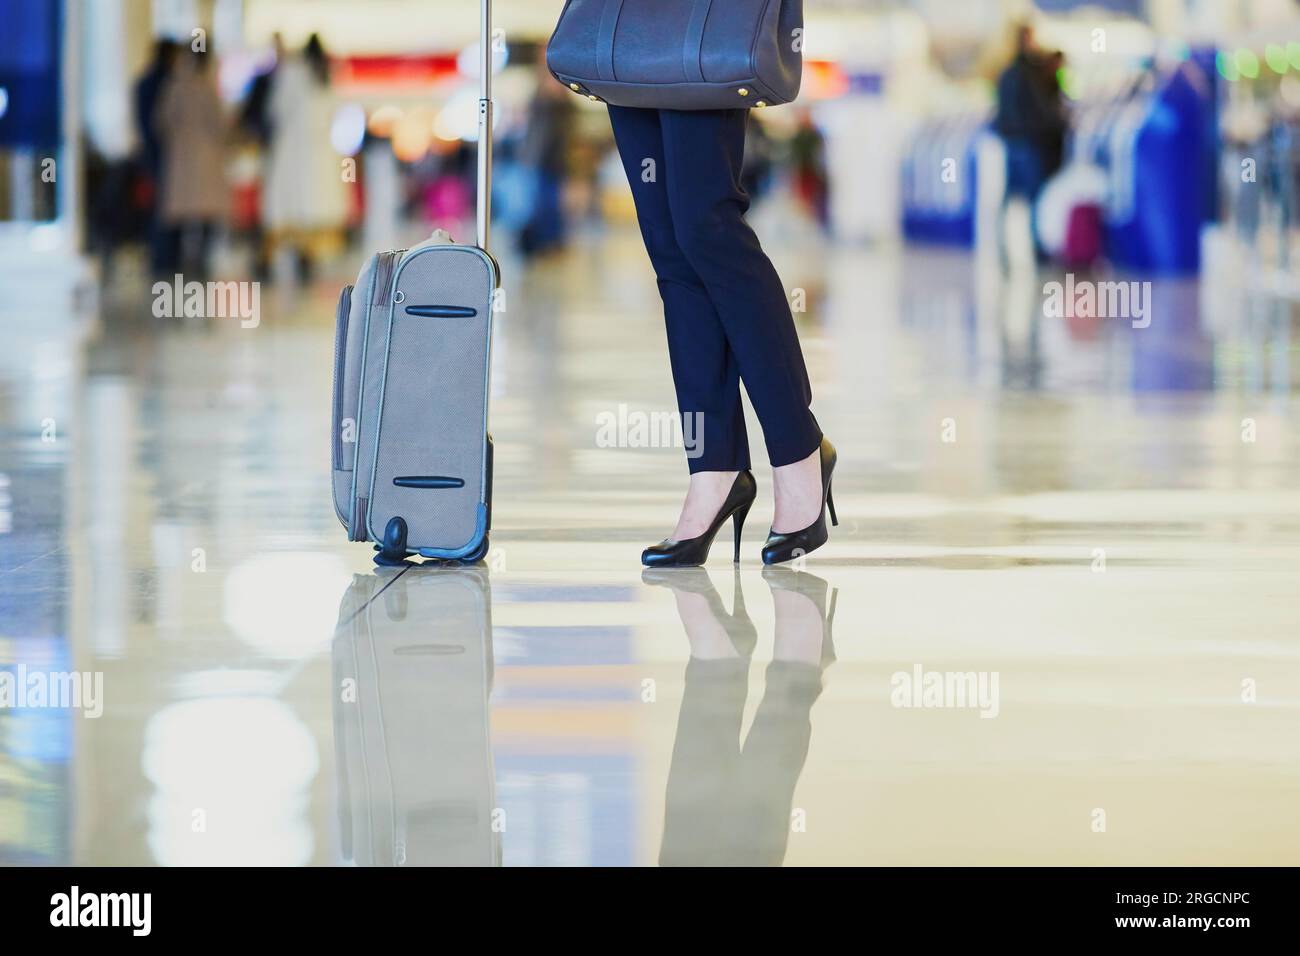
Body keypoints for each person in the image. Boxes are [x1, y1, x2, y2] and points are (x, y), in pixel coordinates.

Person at [603, 102, 837, 567]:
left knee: (707, 224)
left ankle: (798, 450)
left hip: (698, 39)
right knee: (668, 244)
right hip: (627, 43)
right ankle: (714, 468)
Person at [262, 33, 349, 280]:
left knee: (290, 208)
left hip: (292, 151)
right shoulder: (327, 75)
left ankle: (291, 258)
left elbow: (277, 109)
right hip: (319, 152)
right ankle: (308, 261)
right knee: (313, 208)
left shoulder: (292, 73)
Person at [154, 49, 229, 281]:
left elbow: (161, 120)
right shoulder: (207, 88)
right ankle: (200, 262)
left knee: (181, 216)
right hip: (206, 158)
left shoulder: (175, 86)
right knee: (206, 216)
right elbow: (220, 123)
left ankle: (177, 263)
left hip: (181, 159)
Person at [133, 39, 179, 274]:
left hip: (150, 153)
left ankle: (159, 258)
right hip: (165, 154)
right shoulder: (168, 83)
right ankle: (166, 258)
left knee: (157, 207)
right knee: (166, 207)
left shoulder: (142, 82)